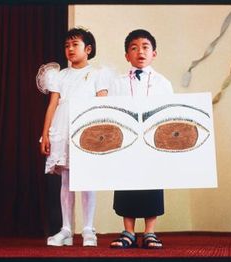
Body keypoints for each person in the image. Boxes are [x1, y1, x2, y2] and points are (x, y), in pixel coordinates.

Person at [37, 27, 108, 247]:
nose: (69, 49)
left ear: (88, 49)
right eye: (67, 45)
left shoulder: (98, 74)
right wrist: (45, 134)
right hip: (63, 126)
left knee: (87, 178)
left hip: (87, 127)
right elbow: (52, 105)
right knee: (66, 179)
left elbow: (103, 104)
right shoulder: (59, 75)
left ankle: (88, 229)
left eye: (74, 45)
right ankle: (66, 229)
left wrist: (101, 134)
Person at [108, 29, 173, 249]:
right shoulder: (116, 83)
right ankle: (128, 231)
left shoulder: (164, 83)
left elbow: (169, 112)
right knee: (126, 183)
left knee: (152, 184)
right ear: (127, 55)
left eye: (145, 47)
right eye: (134, 48)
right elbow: (111, 110)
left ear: (154, 53)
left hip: (152, 141)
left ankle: (150, 232)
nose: (140, 52)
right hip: (126, 141)